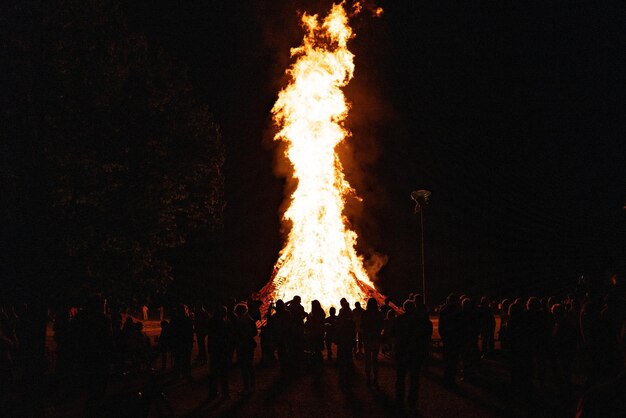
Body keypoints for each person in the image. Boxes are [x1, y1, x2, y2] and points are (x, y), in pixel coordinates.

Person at [394, 299, 432, 413]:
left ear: (404, 308)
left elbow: (393, 334)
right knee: (414, 379)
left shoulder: (399, 320)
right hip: (414, 353)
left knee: (400, 378)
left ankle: (399, 401)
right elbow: (424, 335)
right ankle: (412, 402)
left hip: (402, 352)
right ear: (414, 308)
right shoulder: (419, 321)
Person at [439, 294, 463, 388]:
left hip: (447, 338)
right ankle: (451, 380)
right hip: (454, 338)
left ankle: (447, 379)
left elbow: (441, 326)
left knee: (447, 360)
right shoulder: (457, 310)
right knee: (453, 360)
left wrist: (443, 336)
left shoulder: (443, 310)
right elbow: (460, 325)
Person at [233, 303, 257, 395]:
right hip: (249, 345)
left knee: (244, 367)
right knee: (249, 366)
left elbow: (236, 334)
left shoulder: (240, 321)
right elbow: (254, 332)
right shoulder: (250, 320)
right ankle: (252, 387)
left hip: (243, 346)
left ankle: (247, 388)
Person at [208, 306, 231, 400]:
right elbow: (227, 337)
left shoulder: (211, 322)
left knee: (214, 373)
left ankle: (213, 393)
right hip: (222, 350)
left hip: (214, 350)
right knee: (223, 373)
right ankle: (225, 393)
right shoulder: (224, 323)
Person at [360, 298, 384, 386]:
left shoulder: (365, 314)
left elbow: (361, 326)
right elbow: (382, 325)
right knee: (374, 359)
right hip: (375, 338)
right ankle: (375, 379)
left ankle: (368, 378)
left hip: (367, 338)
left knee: (367, 359)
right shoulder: (379, 314)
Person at [335, 298, 355, 389]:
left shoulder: (342, 313)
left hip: (344, 336)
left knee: (343, 350)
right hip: (349, 336)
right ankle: (349, 365)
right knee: (348, 351)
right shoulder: (350, 313)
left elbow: (338, 323)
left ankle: (343, 367)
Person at [305, 300, 326, 371]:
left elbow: (318, 322)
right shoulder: (315, 312)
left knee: (317, 348)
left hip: (317, 333)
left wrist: (310, 319)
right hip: (314, 333)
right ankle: (317, 363)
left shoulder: (320, 312)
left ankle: (319, 364)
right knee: (315, 348)